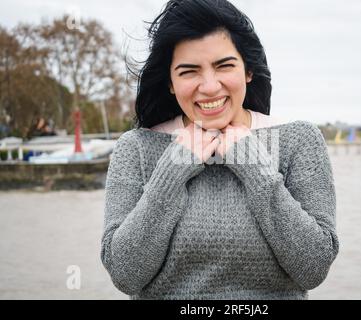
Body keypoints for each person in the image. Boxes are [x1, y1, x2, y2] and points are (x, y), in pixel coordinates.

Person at [101, 0, 339, 300]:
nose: (210, 86)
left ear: (248, 71)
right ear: (171, 82)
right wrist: (172, 171)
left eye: (224, 66)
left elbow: (314, 267)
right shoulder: (135, 148)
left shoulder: (298, 140)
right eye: (189, 71)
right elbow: (125, 274)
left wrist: (256, 168)